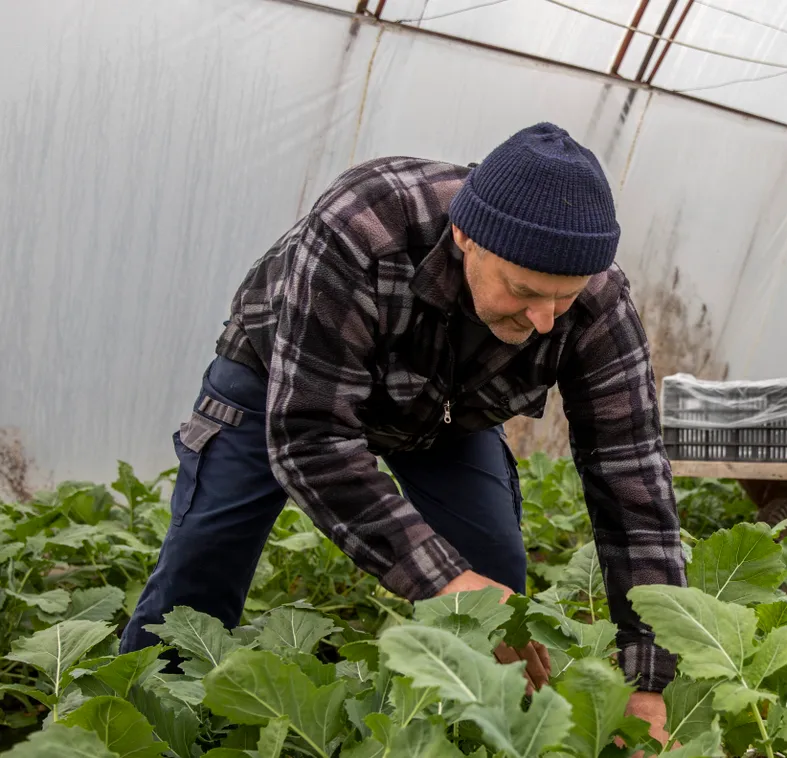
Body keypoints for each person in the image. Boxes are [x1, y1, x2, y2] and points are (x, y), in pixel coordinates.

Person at [120, 123, 684, 739]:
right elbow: (312, 440)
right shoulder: (363, 229)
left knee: (492, 582)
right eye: (524, 292)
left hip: (449, 412)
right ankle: (145, 729)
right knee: (201, 567)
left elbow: (632, 481)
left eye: (564, 299)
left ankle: (476, 736)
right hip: (283, 378)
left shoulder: (599, 302)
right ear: (467, 237)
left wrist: (650, 680)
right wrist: (441, 580)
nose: (547, 321)